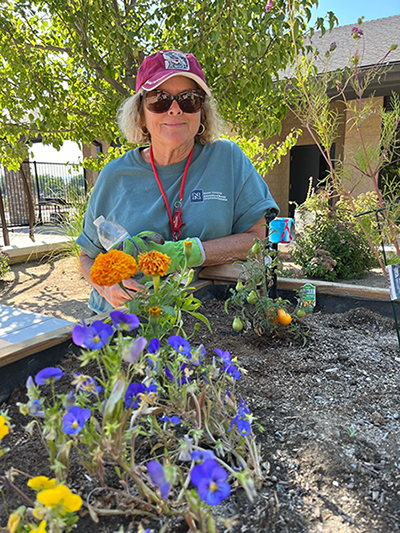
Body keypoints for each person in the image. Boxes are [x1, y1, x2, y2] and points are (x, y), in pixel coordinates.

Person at [77, 49, 279, 314]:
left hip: (204, 320)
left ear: (201, 113)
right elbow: (86, 256)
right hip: (122, 325)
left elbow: (260, 240)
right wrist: (106, 285)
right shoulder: (114, 175)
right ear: (141, 112)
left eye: (189, 99)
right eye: (159, 99)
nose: (174, 109)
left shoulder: (227, 160)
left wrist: (191, 252)